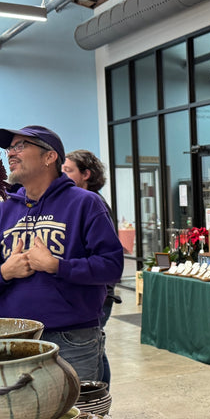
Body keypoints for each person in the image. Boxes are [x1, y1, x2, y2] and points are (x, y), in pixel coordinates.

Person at [0, 125, 124, 382]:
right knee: (17, 417)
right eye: (9, 148)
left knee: (77, 418)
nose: (10, 154)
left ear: (49, 157)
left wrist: (57, 266)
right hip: (10, 338)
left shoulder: (85, 204)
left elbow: (111, 266)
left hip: (72, 340)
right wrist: (6, 271)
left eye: (21, 146)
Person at [62, 149, 122, 386]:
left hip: (99, 291)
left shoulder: (94, 204)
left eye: (68, 170)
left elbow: (107, 258)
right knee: (95, 345)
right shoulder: (76, 203)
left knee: (92, 345)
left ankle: (100, 394)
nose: (62, 175)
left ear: (86, 174)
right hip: (90, 287)